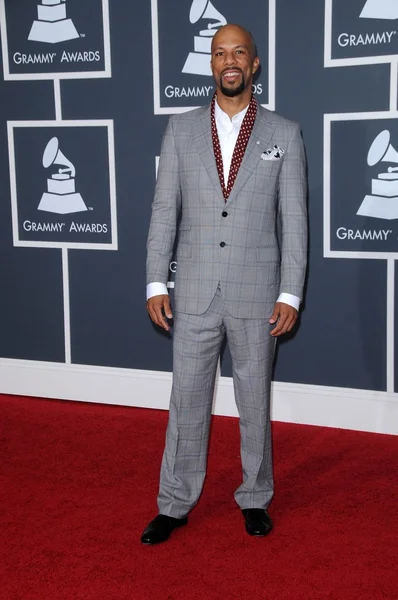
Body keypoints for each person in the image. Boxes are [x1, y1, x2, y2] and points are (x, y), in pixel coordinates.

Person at [142, 24, 307, 544]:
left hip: (258, 293)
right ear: (210, 64)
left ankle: (255, 496)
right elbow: (165, 209)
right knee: (186, 399)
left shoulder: (285, 132)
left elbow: (296, 219)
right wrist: (154, 280)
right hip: (192, 290)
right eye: (220, 53)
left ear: (254, 64)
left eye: (239, 52)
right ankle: (174, 502)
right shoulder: (180, 128)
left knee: (254, 400)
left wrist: (290, 292)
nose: (229, 61)